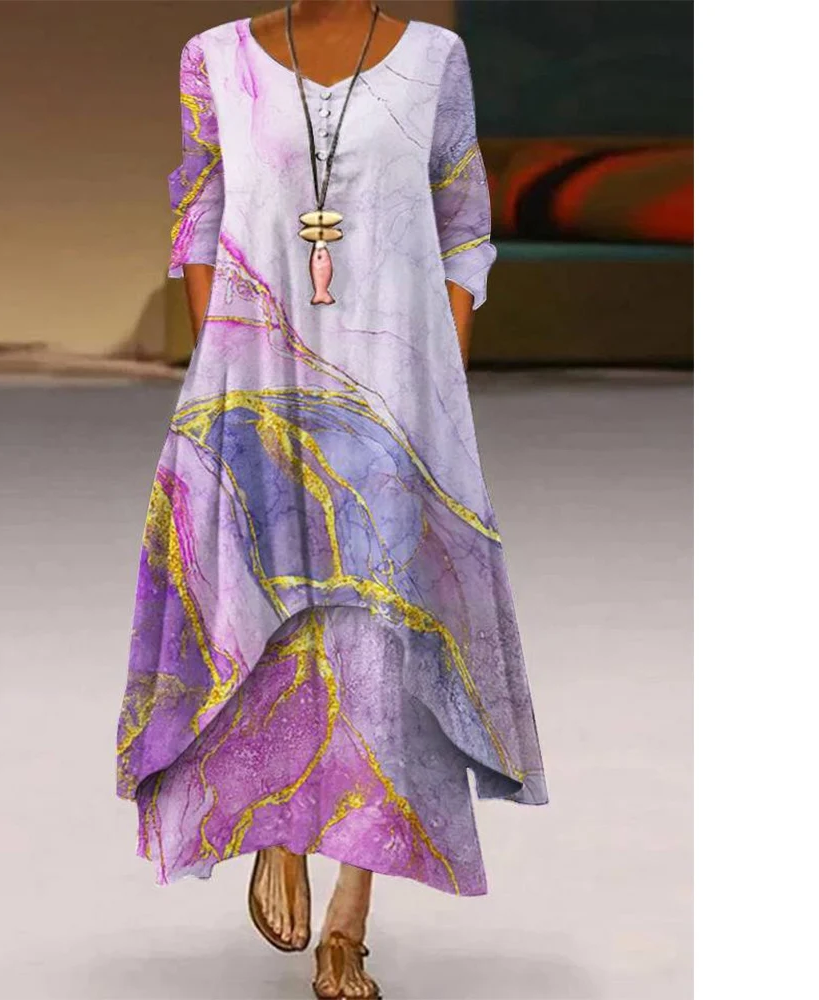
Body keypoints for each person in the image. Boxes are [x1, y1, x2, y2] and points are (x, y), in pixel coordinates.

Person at [115, 3, 548, 997]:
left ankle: (349, 924)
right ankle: (282, 824)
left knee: (382, 632)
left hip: (393, 392)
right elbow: (200, 210)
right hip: (256, 375)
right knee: (261, 609)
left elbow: (462, 223)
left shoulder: (436, 58)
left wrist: (437, 386)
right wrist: (221, 366)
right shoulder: (214, 58)